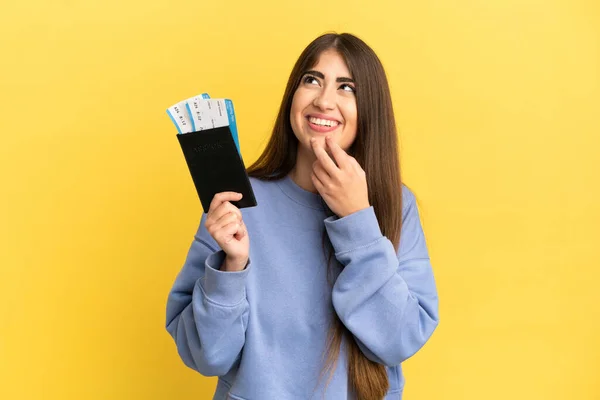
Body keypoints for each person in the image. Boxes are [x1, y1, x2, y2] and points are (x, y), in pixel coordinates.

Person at [165, 32, 439, 400]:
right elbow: (207, 356)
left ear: (369, 108)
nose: (324, 101)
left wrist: (358, 221)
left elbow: (398, 339)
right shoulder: (236, 201)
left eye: (347, 87)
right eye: (312, 80)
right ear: (293, 95)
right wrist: (231, 268)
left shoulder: (395, 204)